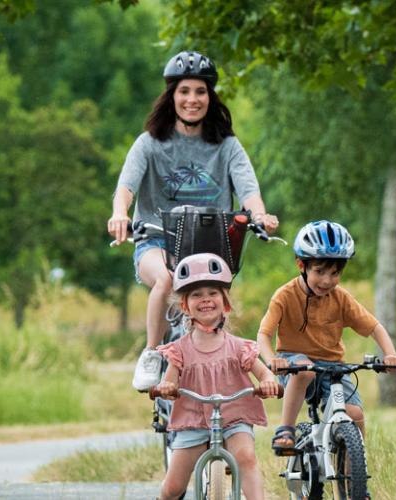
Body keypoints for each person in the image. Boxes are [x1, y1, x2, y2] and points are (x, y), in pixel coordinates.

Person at [108, 51, 280, 392]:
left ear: (210, 97)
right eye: (184, 91)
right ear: (171, 96)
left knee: (216, 303)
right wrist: (120, 214)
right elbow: (125, 187)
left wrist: (259, 215)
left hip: (210, 245)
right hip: (155, 240)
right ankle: (152, 353)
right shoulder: (150, 144)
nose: (192, 99)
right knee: (166, 281)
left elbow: (248, 189)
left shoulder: (227, 146)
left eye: (200, 92)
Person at [256, 221, 396, 454]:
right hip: (294, 364)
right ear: (301, 265)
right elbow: (263, 334)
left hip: (332, 366)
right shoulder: (284, 296)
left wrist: (391, 354)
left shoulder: (341, 298)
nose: (327, 281)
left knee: (354, 415)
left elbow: (375, 327)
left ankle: (355, 480)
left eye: (335, 273)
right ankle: (285, 429)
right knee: (305, 368)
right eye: (320, 272)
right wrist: (272, 359)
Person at [150, 253, 281, 500]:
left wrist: (267, 381)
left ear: (226, 302)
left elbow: (263, 372)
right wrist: (167, 386)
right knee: (172, 487)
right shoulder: (179, 349)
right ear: (185, 306)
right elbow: (169, 380)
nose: (206, 299)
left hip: (235, 416)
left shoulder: (239, 347)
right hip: (192, 419)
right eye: (197, 295)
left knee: (246, 457)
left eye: (213, 293)